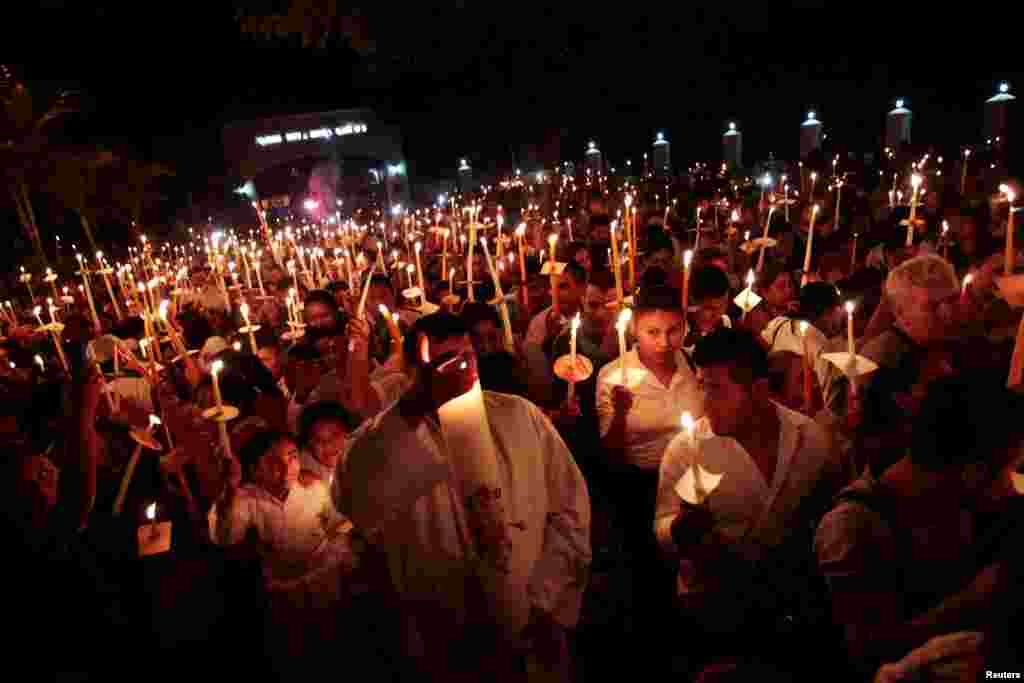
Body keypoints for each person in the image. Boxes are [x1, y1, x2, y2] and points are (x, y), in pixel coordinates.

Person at [333, 313, 591, 681]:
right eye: (439, 364)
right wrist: (413, 405)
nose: (458, 372)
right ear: (410, 371)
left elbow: (569, 510)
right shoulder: (387, 440)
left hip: (533, 621)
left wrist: (546, 603)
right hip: (446, 634)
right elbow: (353, 496)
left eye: (466, 358)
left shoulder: (519, 416)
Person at [654, 327, 848, 677]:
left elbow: (830, 515)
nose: (704, 402)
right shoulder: (688, 450)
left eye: (717, 390)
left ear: (758, 391)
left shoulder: (810, 439)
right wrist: (679, 530)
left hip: (795, 606)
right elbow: (663, 525)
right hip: (715, 609)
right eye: (702, 387)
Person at [816, 374, 1024, 676]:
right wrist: (969, 601)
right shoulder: (852, 530)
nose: (1009, 486)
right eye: (1004, 470)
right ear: (971, 471)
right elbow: (867, 653)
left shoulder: (965, 507)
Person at [595, 285, 703, 659]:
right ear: (635, 332)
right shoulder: (613, 376)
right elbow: (608, 452)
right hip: (641, 483)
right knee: (649, 570)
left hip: (692, 479)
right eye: (652, 332)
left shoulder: (694, 366)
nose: (663, 341)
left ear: (685, 329)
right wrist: (621, 412)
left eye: (673, 330)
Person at [209, 428, 359, 675]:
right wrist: (229, 490)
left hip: (324, 574)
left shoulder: (313, 487)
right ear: (256, 470)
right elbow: (225, 536)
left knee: (333, 632)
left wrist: (343, 536)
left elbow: (336, 522)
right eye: (274, 462)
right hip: (285, 586)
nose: (287, 466)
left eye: (292, 456)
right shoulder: (249, 499)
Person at [297, 400, 359, 484]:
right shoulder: (304, 473)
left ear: (347, 434)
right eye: (318, 440)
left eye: (335, 435)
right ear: (309, 445)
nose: (327, 444)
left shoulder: (361, 462)